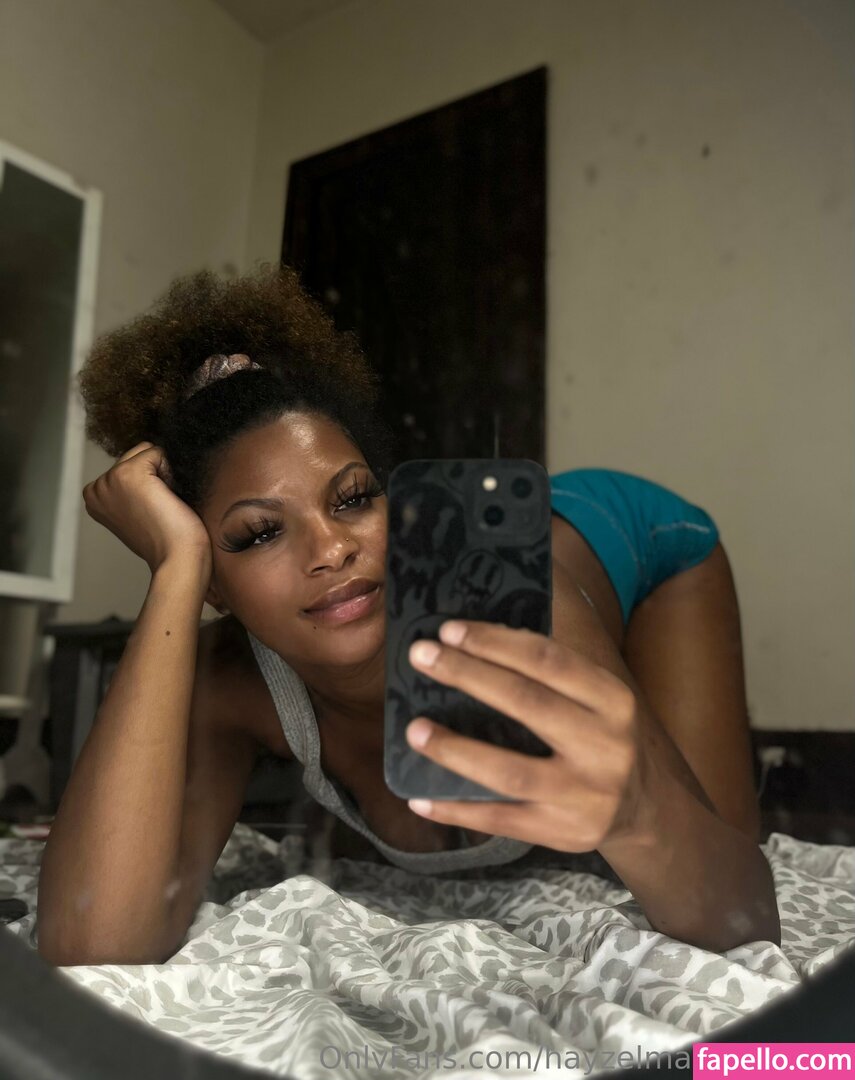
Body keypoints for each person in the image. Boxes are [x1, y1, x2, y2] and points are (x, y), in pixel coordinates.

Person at [36, 266, 780, 966]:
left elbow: (740, 917)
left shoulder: (510, 599)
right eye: (259, 533)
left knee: (706, 838)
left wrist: (639, 812)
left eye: (353, 497)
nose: (332, 548)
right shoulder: (230, 677)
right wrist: (173, 569)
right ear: (214, 579)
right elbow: (91, 945)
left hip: (644, 545)